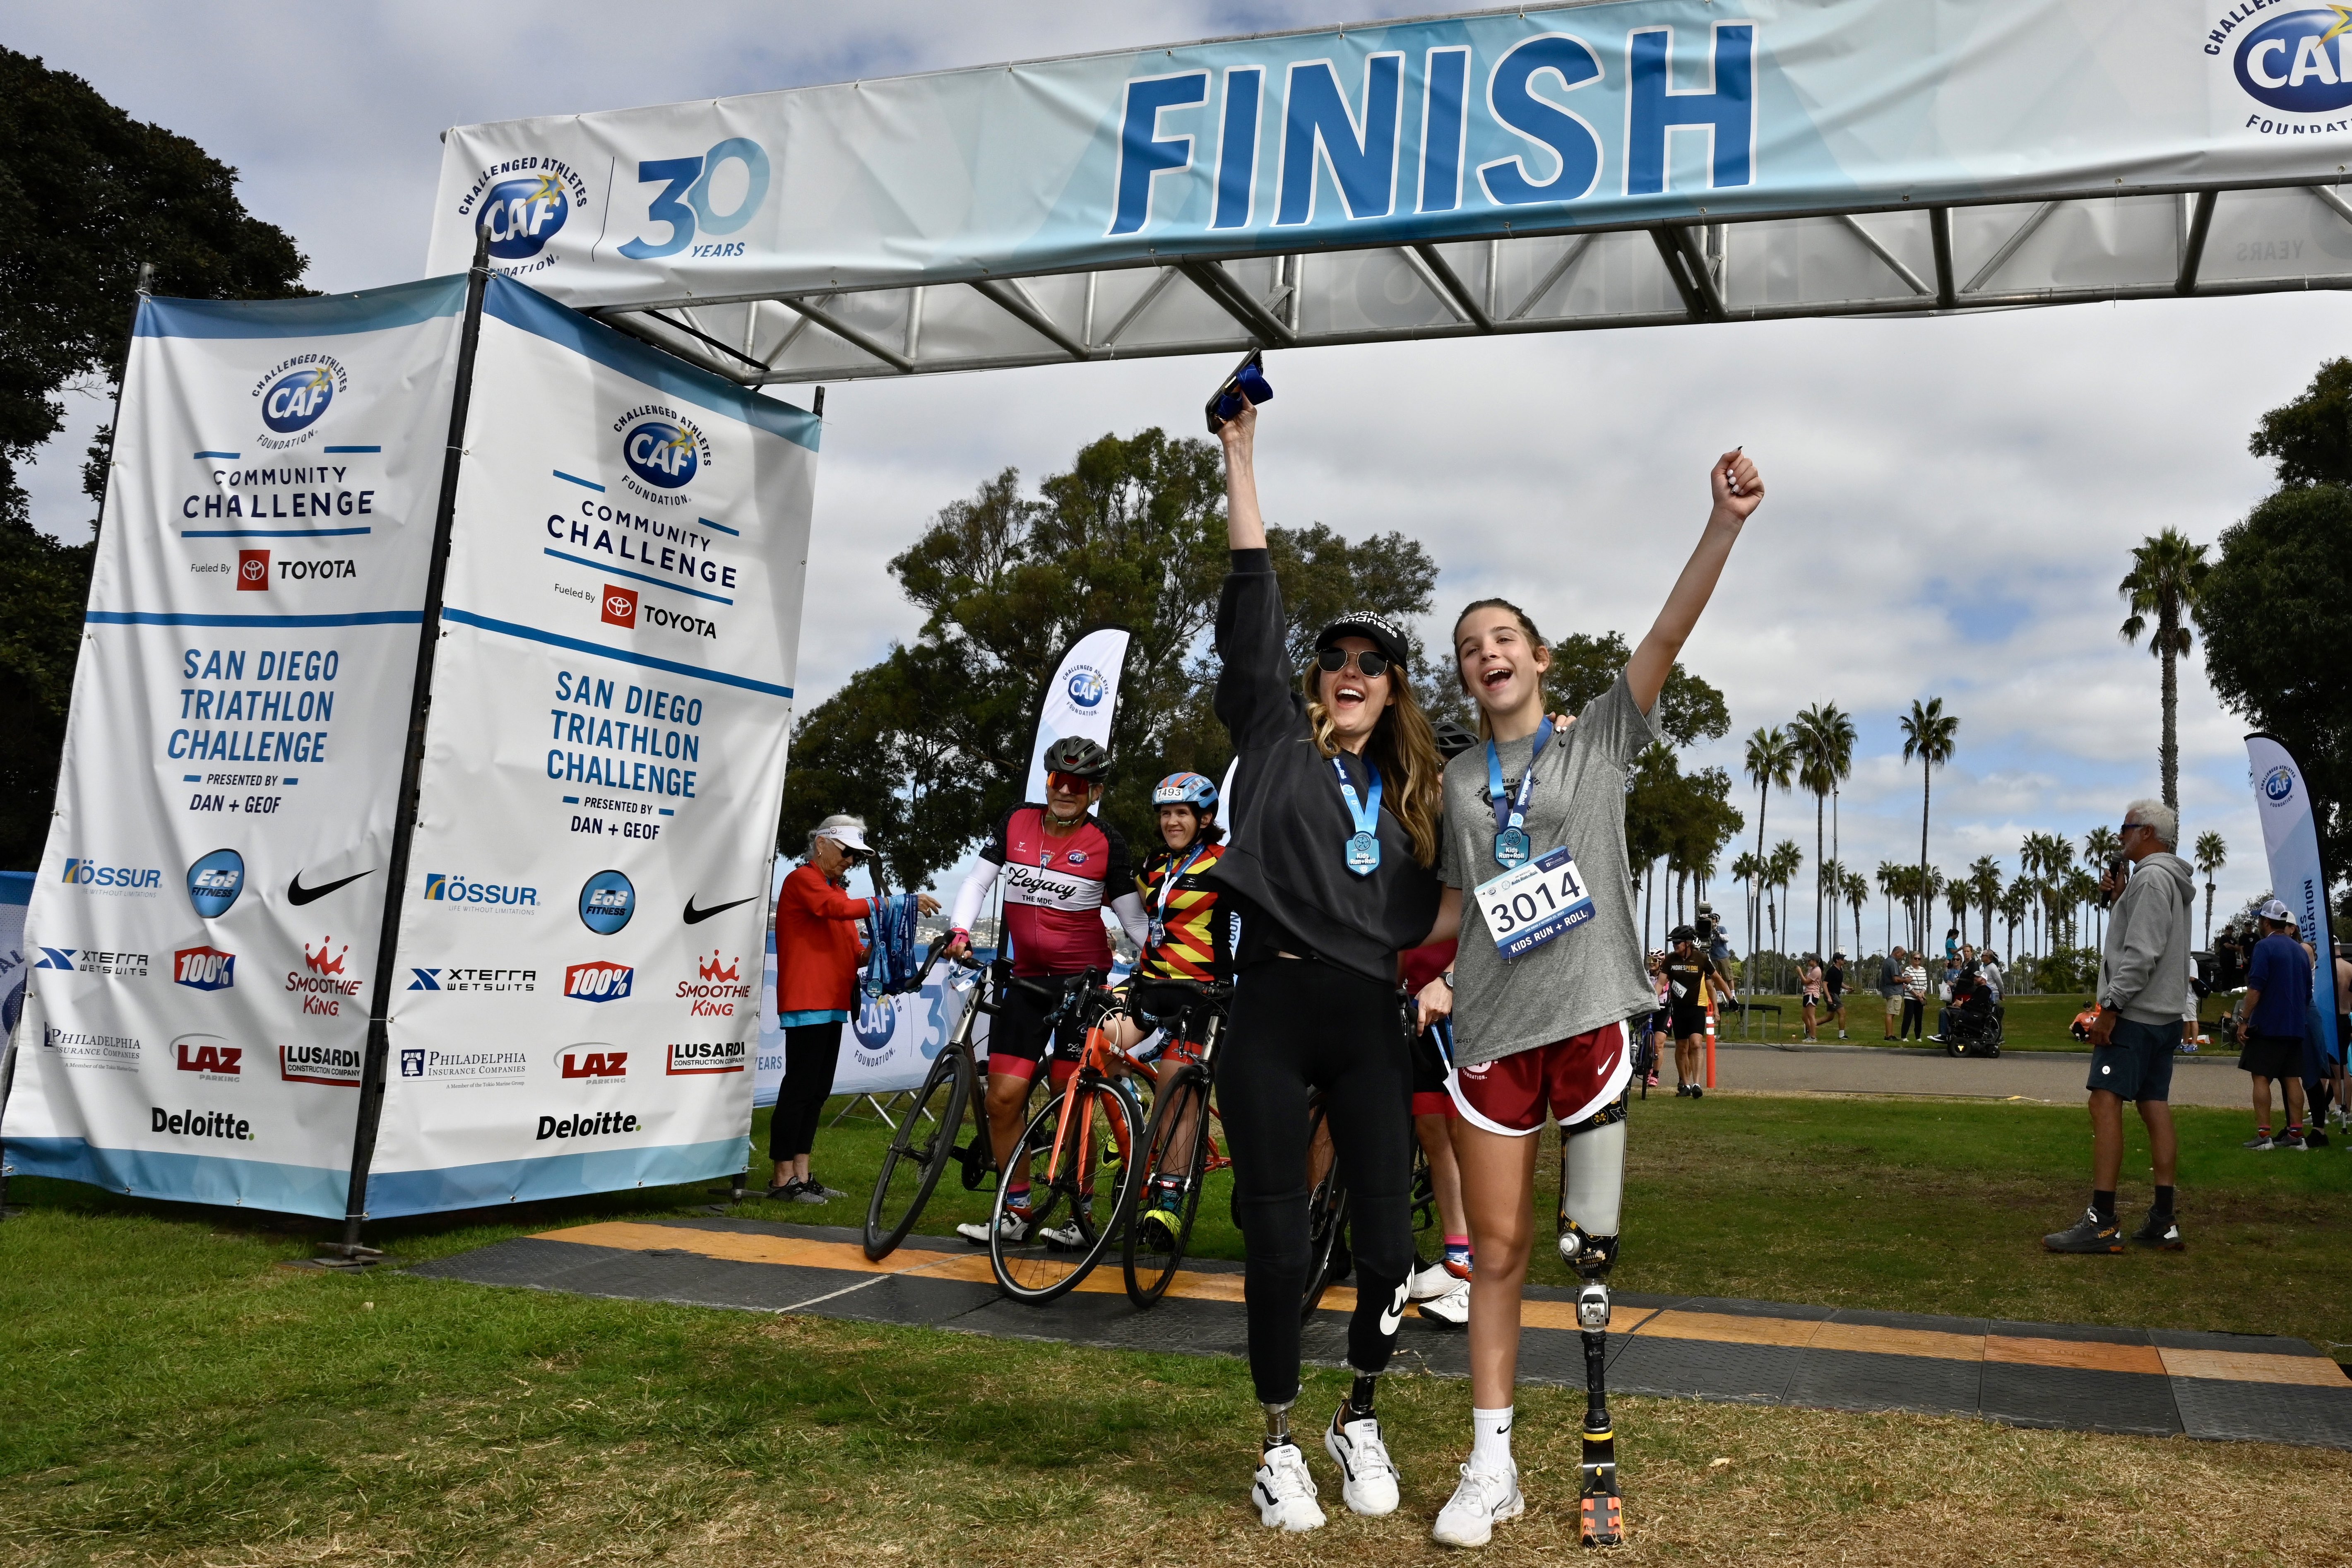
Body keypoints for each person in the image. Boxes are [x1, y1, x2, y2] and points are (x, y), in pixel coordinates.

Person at [1410, 445, 1764, 1548]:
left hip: (1591, 1024)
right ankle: (1492, 1463)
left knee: (1590, 1251)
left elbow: (1665, 635)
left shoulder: (1600, 740)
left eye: (1502, 638)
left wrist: (1722, 524)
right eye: (1470, 649)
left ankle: (1582, 1445)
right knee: (1499, 1254)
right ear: (1465, 678)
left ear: (1540, 658)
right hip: (1492, 1038)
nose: (1486, 654)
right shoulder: (1460, 781)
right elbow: (1460, 909)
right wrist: (1421, 970)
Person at [1205, 392, 1446, 1532]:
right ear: (1315, 679)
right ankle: (1277, 1442)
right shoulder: (1269, 736)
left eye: (1374, 662)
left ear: (1394, 690)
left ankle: (1359, 1413)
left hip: (1364, 1014)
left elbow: (1464, 899)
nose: (1351, 668)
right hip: (1268, 999)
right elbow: (1253, 598)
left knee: (1390, 1244)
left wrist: (1451, 970)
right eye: (1336, 658)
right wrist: (1240, 454)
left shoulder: (1414, 804)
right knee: (1277, 1231)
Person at [944, 736, 1151, 1244]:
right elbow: (976, 883)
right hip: (1028, 982)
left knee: (1069, 1100)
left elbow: (1134, 920)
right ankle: (1016, 1210)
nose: (1066, 790)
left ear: (1095, 791)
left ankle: (1079, 1213)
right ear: (1047, 781)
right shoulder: (1016, 821)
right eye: (1059, 779)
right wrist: (960, 929)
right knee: (1002, 1099)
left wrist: (1162, 965)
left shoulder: (1107, 841)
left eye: (1079, 784)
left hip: (1083, 989)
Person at [2046, 801, 2194, 1251]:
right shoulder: (2168, 878)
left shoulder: (2150, 878)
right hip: (2165, 1016)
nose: (2119, 835)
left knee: (2104, 1103)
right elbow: (2150, 938)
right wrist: (2117, 899)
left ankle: (2103, 1220)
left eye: (2126, 828)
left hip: (2135, 1016)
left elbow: (2142, 952)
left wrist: (2109, 1007)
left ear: (2147, 831)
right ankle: (2163, 1220)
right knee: (2154, 1105)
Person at [770, 815, 939, 1200]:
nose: (850, 861)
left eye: (855, 857)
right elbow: (838, 911)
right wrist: (899, 903)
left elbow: (854, 953)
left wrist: (885, 953)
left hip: (831, 1002)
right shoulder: (802, 881)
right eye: (847, 852)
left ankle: (801, 1173)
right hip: (807, 1000)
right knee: (799, 1089)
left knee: (816, 1091)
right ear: (822, 845)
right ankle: (782, 1180)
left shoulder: (836, 891)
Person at [1116, 770, 1234, 1244]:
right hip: (1151, 986)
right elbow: (1136, 914)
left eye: (1181, 813)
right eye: (1165, 813)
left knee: (1173, 1083)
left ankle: (1168, 1200)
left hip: (1202, 993)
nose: (1171, 821)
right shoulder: (1153, 866)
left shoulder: (1227, 863)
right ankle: (1129, 1130)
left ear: (1204, 818)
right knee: (1097, 1047)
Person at [2238, 899, 2314, 1151]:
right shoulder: (2301, 951)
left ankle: (2264, 1136)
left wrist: (2244, 1020)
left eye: (2260, 919)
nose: (2259, 923)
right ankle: (2297, 1134)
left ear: (2266, 922)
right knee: (2293, 1078)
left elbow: (2256, 987)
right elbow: (2307, 994)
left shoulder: (2264, 947)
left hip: (2268, 1025)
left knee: (2261, 1077)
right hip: (2295, 1025)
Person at [1900, 950, 1929, 1041]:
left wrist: (1921, 994)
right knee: (1908, 1017)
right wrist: (1917, 995)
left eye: (1919, 959)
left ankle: (1918, 1037)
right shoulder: (1908, 970)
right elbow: (1907, 985)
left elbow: (1925, 984)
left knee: (1919, 1018)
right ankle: (1904, 1036)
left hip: (1920, 997)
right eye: (1915, 958)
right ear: (1912, 959)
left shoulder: (1923, 970)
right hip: (1910, 997)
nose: (1917, 960)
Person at [1882, 947, 1906, 1040]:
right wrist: (1905, 980)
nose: (1902, 957)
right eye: (1902, 954)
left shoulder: (1887, 961)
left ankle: (1891, 1034)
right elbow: (1895, 979)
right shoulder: (1893, 963)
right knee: (1890, 1013)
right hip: (1894, 992)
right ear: (1897, 953)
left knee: (1892, 1013)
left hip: (1890, 991)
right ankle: (1889, 1036)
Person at [1799, 955, 1823, 1041]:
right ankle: (1810, 1034)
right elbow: (1804, 981)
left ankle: (1813, 1037)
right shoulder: (1810, 970)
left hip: (1812, 994)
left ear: (1814, 961)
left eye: (1809, 961)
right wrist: (1802, 975)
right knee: (1804, 1017)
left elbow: (1806, 981)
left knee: (1811, 1016)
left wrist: (1800, 972)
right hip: (1807, 993)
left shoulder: (1817, 971)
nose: (1808, 962)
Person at [1824, 951, 1847, 1040]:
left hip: (1835, 994)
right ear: (1837, 960)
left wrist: (1848, 988)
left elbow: (1839, 983)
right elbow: (1824, 984)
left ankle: (1810, 1025)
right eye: (1842, 959)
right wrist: (1829, 997)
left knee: (1829, 1017)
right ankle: (1842, 1035)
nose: (1844, 960)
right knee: (1842, 1013)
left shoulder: (1840, 970)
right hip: (1832, 994)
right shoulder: (1832, 970)